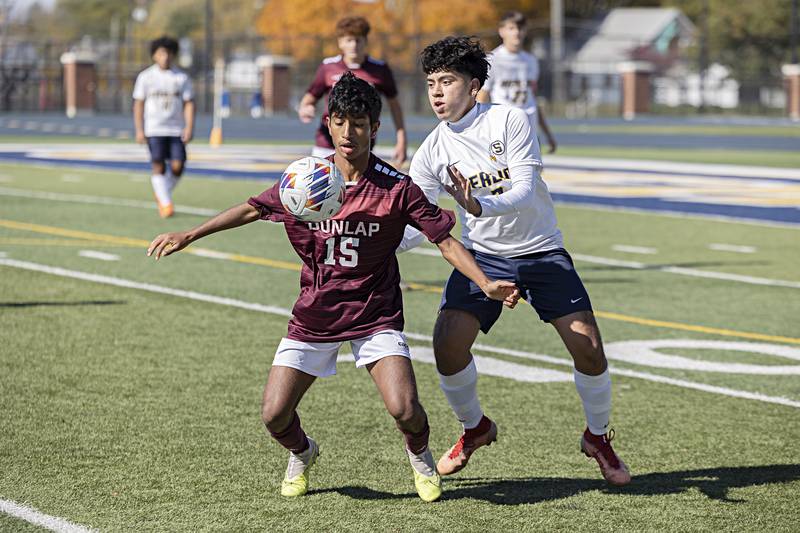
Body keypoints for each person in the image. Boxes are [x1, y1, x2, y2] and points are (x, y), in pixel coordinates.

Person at [147, 72, 520, 501]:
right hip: (315, 314)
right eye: (340, 121)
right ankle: (303, 453)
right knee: (274, 415)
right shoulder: (306, 179)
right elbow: (252, 209)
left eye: (359, 123)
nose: (348, 132)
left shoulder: (397, 188)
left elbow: (445, 242)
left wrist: (486, 283)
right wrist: (189, 235)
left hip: (374, 314)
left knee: (406, 409)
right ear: (328, 123)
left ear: (374, 129)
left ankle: (419, 456)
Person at [399, 36, 630, 485]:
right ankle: (475, 428)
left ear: (475, 85)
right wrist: (370, 243)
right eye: (431, 83)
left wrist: (479, 205)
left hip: (542, 250)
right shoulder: (430, 152)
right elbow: (418, 224)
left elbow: (523, 192)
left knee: (589, 346)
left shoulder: (509, 120)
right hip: (484, 258)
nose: (437, 93)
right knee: (447, 345)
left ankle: (598, 437)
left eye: (448, 81)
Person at [297, 16, 407, 166]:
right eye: (349, 40)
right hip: (326, 143)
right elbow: (309, 98)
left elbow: (394, 105)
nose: (354, 45)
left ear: (365, 41)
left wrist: (401, 139)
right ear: (340, 42)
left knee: (358, 188)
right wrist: (305, 108)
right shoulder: (328, 67)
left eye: (358, 40)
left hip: (362, 143)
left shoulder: (379, 70)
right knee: (320, 187)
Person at [477, 11, 557, 154]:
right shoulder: (492, 60)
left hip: (529, 130)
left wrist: (547, 134)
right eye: (512, 28)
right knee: (503, 175)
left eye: (520, 28)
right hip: (504, 130)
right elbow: (482, 97)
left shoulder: (531, 61)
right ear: (501, 31)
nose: (517, 32)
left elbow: (532, 99)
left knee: (532, 175)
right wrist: (481, 130)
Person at [133, 35, 195, 218]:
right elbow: (138, 104)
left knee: (178, 166)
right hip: (154, 128)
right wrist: (139, 129)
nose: (165, 57)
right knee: (158, 166)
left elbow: (189, 103)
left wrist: (189, 127)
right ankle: (166, 204)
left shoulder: (181, 77)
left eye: (168, 53)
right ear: (154, 55)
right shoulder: (145, 77)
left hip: (175, 128)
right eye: (161, 53)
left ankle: (161, 192)